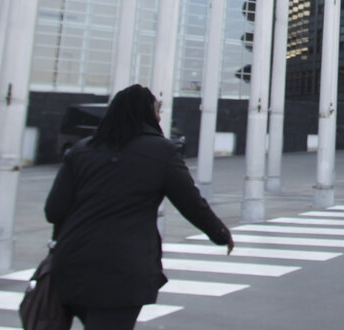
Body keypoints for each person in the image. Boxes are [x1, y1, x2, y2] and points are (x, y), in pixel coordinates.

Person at [45, 85, 233, 329]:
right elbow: (191, 204)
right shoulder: (162, 152)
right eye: (157, 111)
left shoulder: (81, 150)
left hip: (71, 264)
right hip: (123, 268)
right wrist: (220, 234)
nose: (160, 117)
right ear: (146, 115)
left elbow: (53, 211)